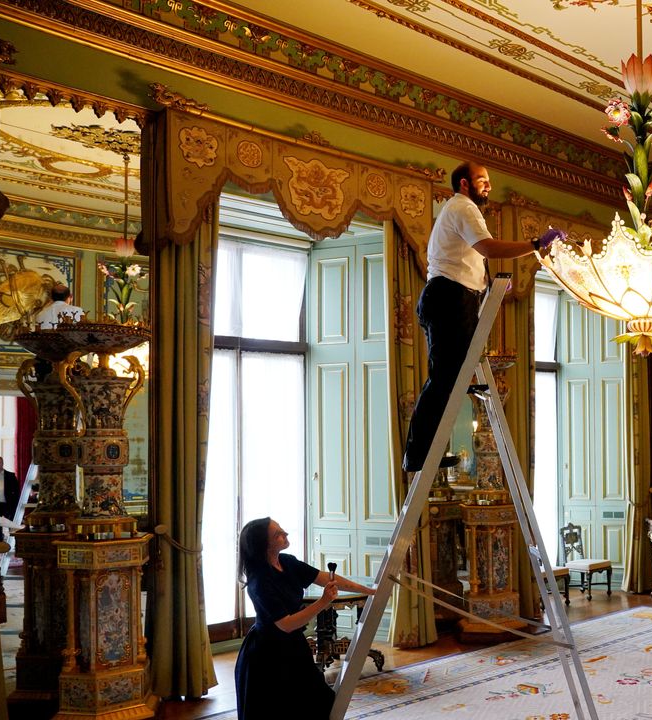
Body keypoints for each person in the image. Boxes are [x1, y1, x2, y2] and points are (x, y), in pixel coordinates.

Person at [402, 161, 562, 473]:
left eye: (489, 180)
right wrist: (535, 244)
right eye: (481, 180)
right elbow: (487, 248)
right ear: (464, 183)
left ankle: (423, 451)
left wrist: (489, 284)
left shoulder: (461, 211)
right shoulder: (463, 208)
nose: (488, 186)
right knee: (443, 379)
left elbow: (471, 259)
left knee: (448, 378)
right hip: (449, 298)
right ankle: (419, 453)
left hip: (453, 297)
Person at [234, 517, 373, 720]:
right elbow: (287, 624)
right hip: (267, 655)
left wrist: (369, 590)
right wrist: (324, 601)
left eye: (282, 529)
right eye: (278, 534)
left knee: (320, 700)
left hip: (293, 646)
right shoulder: (259, 581)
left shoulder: (287, 562)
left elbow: (326, 578)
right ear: (265, 545)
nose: (285, 534)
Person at [0, 456, 20, 543]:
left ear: (1, 463)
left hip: (8, 504)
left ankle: (15, 543)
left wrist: (15, 503)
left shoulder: (10, 476)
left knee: (11, 524)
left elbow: (17, 491)